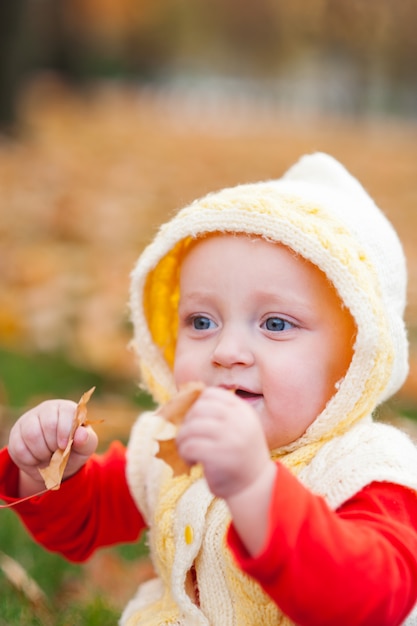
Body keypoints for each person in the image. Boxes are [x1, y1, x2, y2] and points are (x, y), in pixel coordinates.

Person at [1, 152, 417, 626]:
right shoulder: (177, 442)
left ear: (355, 356)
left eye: (276, 323)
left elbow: (372, 602)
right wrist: (49, 470)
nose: (227, 350)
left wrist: (255, 488)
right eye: (202, 321)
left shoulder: (366, 472)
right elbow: (86, 521)